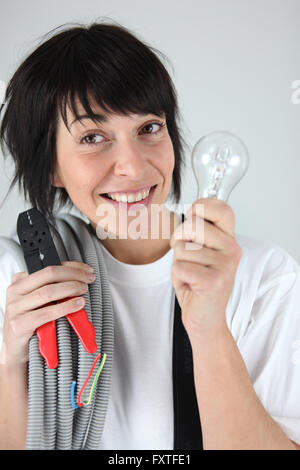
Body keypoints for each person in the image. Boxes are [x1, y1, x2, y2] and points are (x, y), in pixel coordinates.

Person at [0, 20, 300, 451]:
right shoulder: (17, 279)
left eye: (149, 128)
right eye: (92, 137)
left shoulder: (263, 278)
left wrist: (209, 328)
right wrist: (11, 360)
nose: (134, 167)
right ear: (49, 165)